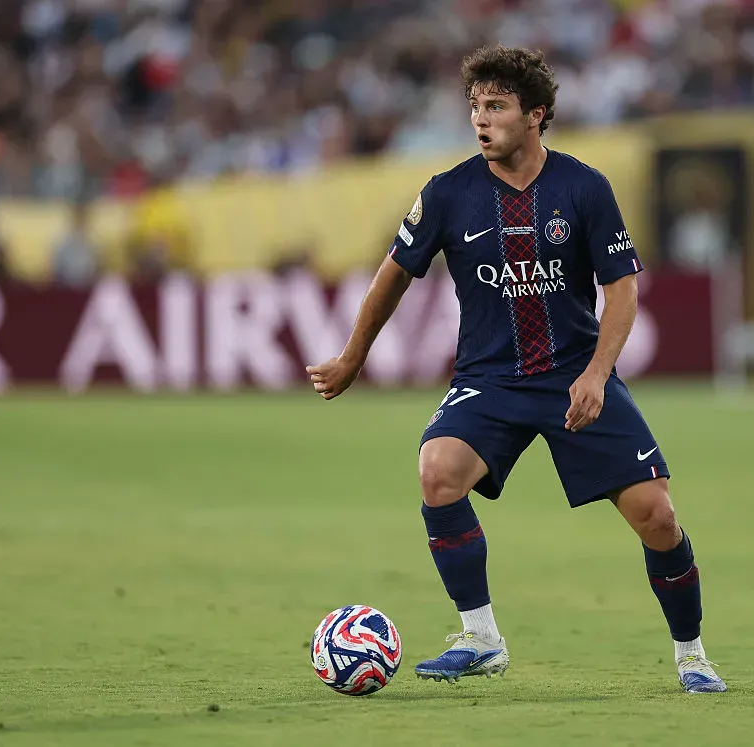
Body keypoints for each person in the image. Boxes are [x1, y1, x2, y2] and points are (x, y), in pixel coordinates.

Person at [306, 45, 727, 694]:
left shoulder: (584, 188)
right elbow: (393, 275)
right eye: (475, 106)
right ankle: (480, 638)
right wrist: (352, 356)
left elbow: (621, 291)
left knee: (658, 517)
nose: (481, 119)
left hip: (572, 375)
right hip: (490, 379)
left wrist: (596, 374)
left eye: (497, 106)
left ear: (536, 115)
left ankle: (692, 655)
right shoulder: (447, 193)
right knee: (437, 470)